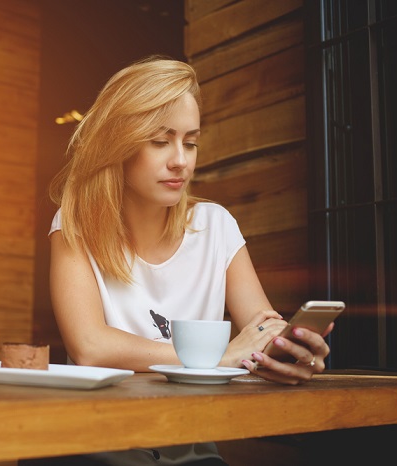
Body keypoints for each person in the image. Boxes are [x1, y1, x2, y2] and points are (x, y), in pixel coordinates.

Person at [22, 56, 333, 466]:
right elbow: (90, 347)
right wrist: (215, 359)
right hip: (94, 442)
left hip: (189, 449)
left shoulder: (216, 225)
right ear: (120, 143)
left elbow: (260, 326)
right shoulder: (76, 223)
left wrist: (284, 350)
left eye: (190, 142)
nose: (180, 161)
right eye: (159, 141)